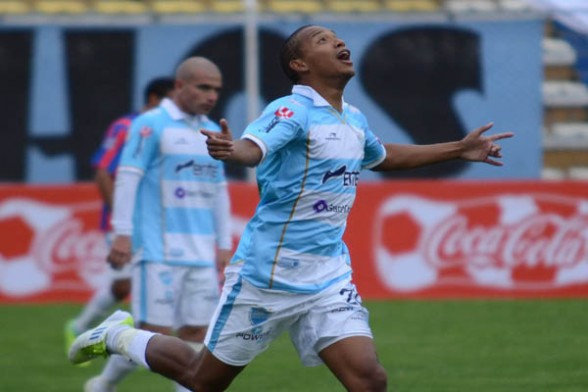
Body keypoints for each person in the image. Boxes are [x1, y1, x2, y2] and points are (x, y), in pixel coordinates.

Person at [69, 26, 513, 391]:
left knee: (368, 379)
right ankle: (118, 335)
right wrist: (232, 150)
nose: (339, 42)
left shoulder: (351, 118)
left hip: (327, 275)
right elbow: (253, 149)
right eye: (322, 40)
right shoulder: (291, 110)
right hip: (268, 275)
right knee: (201, 379)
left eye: (339, 37)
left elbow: (383, 157)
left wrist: (458, 148)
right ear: (299, 66)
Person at [81, 57, 233, 392]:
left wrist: (223, 244)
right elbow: (127, 177)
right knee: (154, 334)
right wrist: (123, 234)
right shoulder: (151, 124)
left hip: (199, 252)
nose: (211, 96)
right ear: (180, 86)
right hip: (157, 249)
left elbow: (218, 190)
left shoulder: (210, 130)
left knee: (197, 333)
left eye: (216, 90)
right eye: (203, 87)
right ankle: (103, 384)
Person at [64, 77, 175, 352]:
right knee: (125, 283)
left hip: (155, 221)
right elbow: (103, 171)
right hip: (125, 223)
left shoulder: (170, 129)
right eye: (170, 100)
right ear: (153, 99)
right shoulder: (127, 127)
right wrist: (120, 218)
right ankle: (84, 329)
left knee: (141, 284)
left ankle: (131, 344)